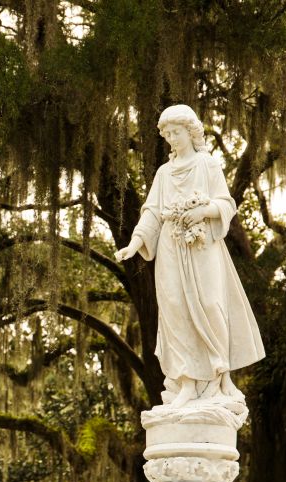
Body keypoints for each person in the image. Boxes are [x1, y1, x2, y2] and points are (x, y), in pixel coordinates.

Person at [115, 104, 264, 408]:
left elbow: (226, 204)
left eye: (176, 131)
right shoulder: (164, 172)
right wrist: (136, 242)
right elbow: (153, 212)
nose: (172, 137)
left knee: (211, 304)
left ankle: (220, 375)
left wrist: (202, 212)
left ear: (190, 131)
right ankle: (186, 381)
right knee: (175, 310)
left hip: (202, 246)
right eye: (167, 133)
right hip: (171, 247)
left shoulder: (206, 164)